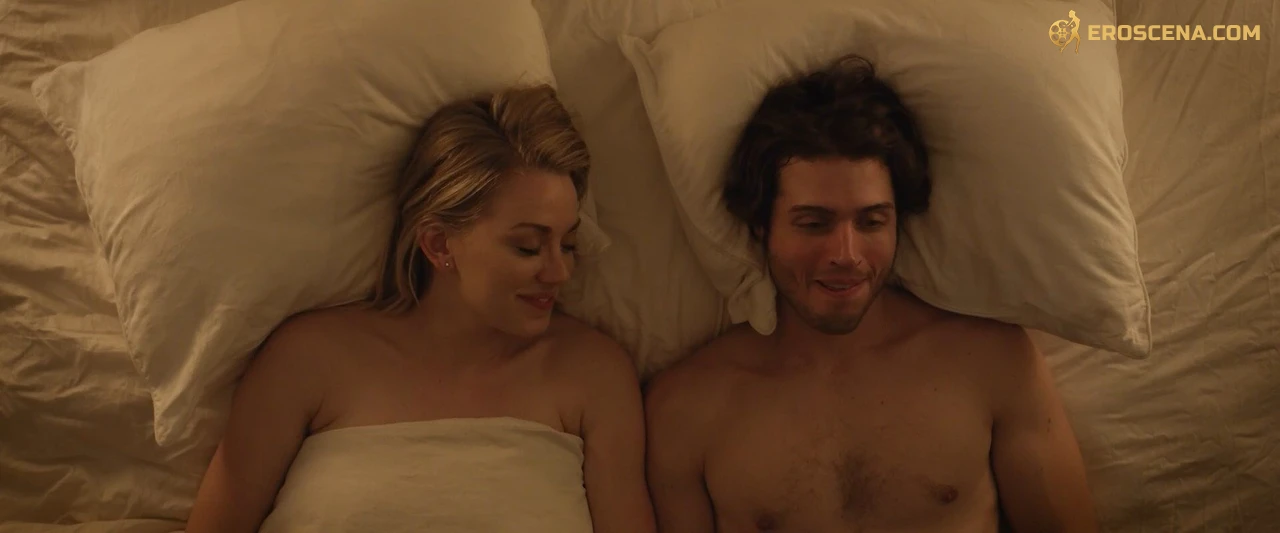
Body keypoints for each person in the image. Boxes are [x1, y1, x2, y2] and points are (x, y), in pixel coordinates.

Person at [643, 55, 1097, 533]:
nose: (847, 254)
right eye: (813, 223)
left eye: (871, 221)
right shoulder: (687, 411)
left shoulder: (991, 362)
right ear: (761, 227)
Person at [186, 85, 656, 533]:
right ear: (438, 244)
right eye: (528, 247)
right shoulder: (309, 358)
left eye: (568, 244)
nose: (559, 272)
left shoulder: (591, 373)